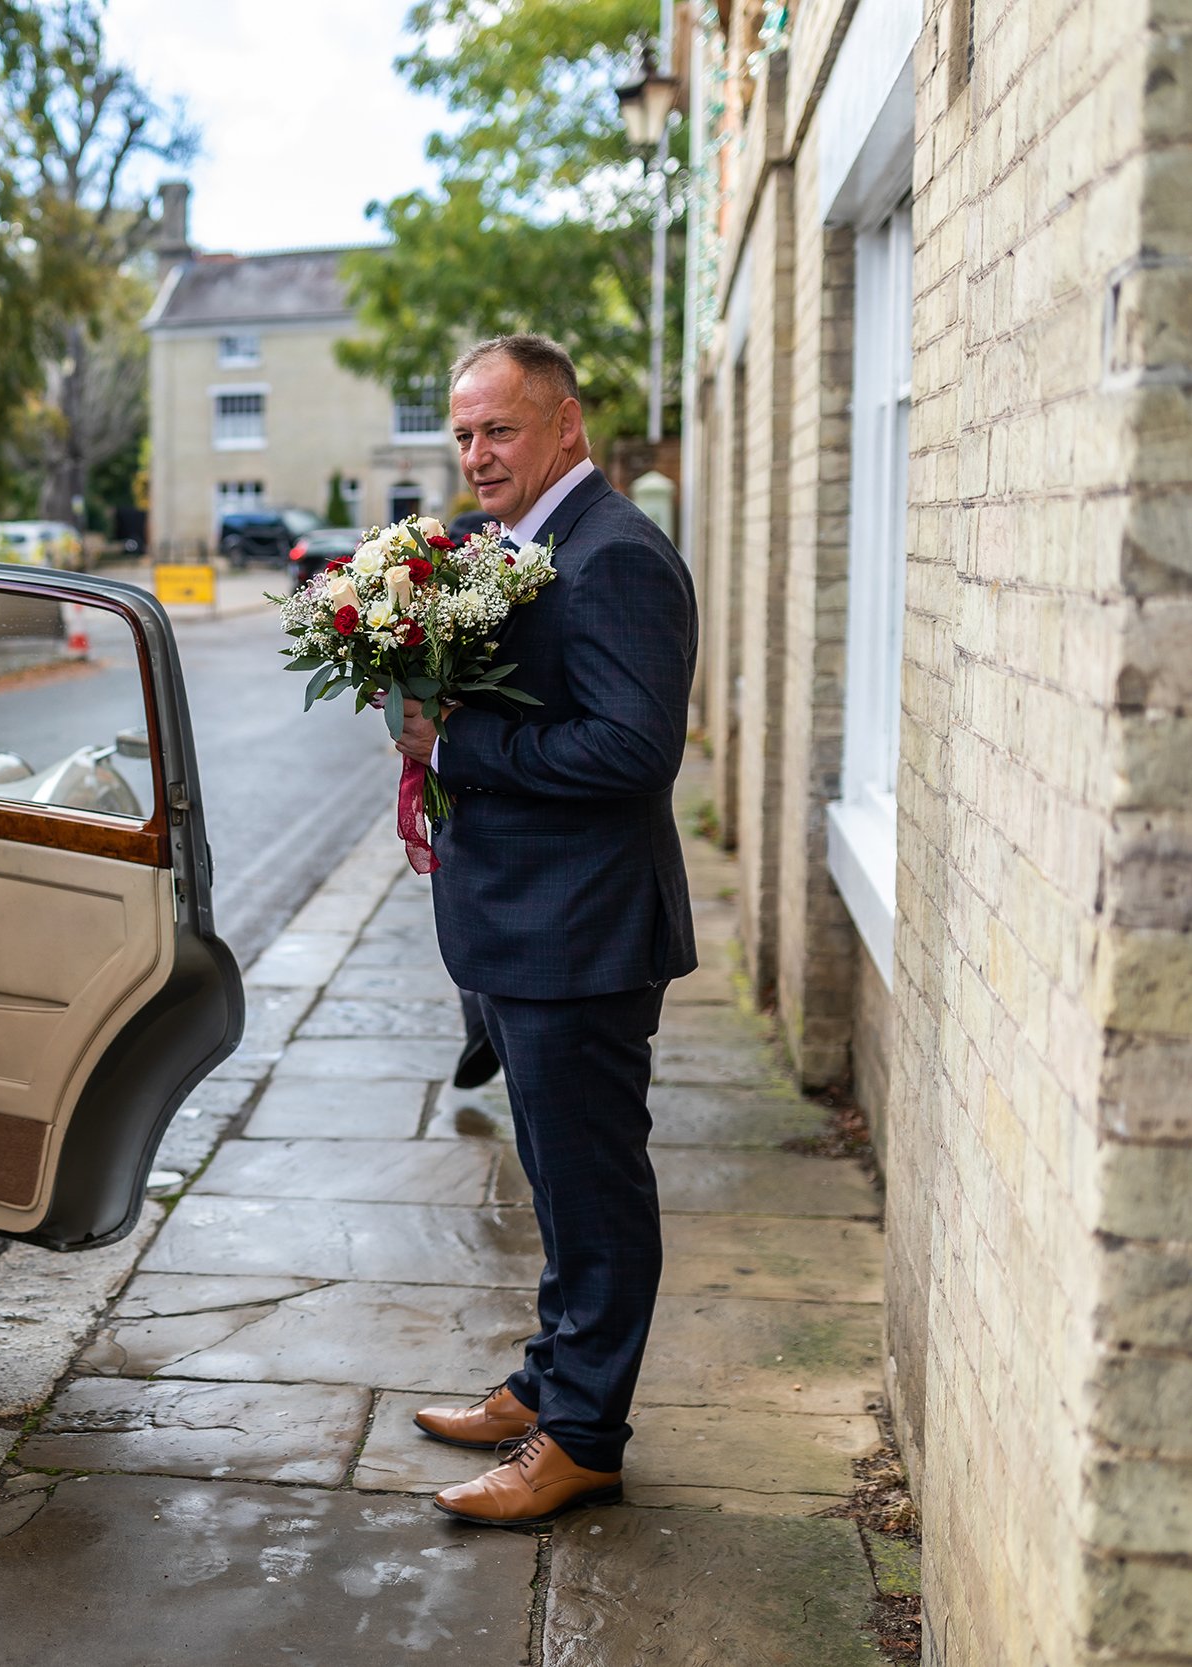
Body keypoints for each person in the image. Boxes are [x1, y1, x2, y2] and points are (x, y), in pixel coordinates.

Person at [397, 335, 698, 1528]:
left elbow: (634, 749)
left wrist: (459, 747)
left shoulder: (616, 555)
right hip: (521, 927)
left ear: (565, 427)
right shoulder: (508, 548)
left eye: (500, 429)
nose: (477, 453)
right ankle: (547, 1379)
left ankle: (582, 1436)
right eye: (464, 433)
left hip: (582, 934)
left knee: (594, 1189)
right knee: (556, 1184)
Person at [440, 509, 501, 1092]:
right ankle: (479, 1023)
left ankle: (480, 1023)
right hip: (459, 780)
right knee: (466, 909)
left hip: (485, 776)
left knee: (473, 909)